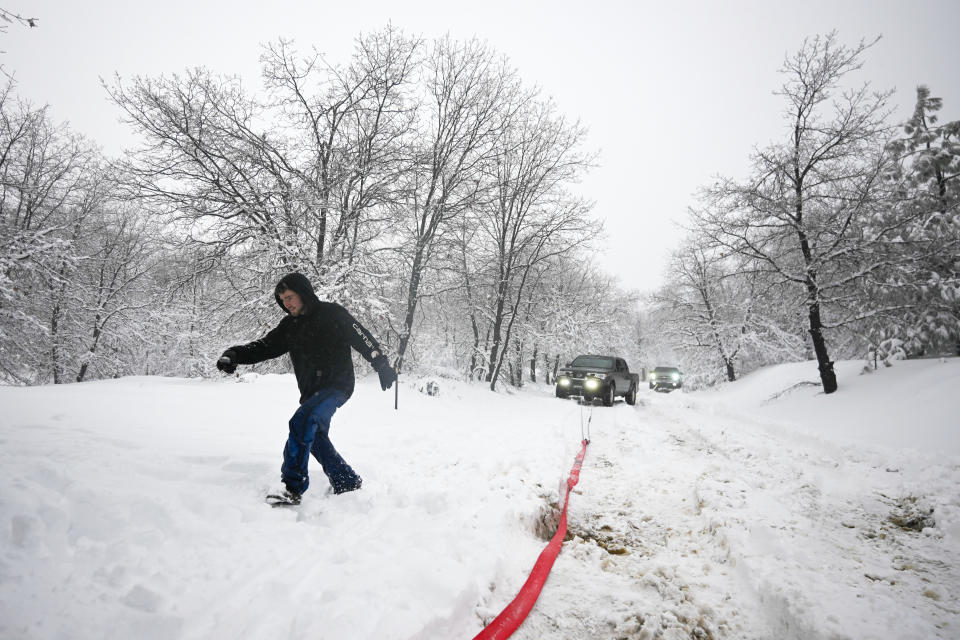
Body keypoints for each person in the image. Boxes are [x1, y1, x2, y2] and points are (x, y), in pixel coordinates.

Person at [216, 272, 396, 504]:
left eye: (290, 297)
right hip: (311, 391)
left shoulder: (332, 313)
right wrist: (234, 354)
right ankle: (347, 481)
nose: (286, 303)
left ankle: (292, 486)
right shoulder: (289, 326)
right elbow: (263, 347)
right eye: (282, 299)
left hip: (337, 385)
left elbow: (361, 335)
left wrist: (380, 362)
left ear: (304, 294)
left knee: (302, 423)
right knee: (314, 436)